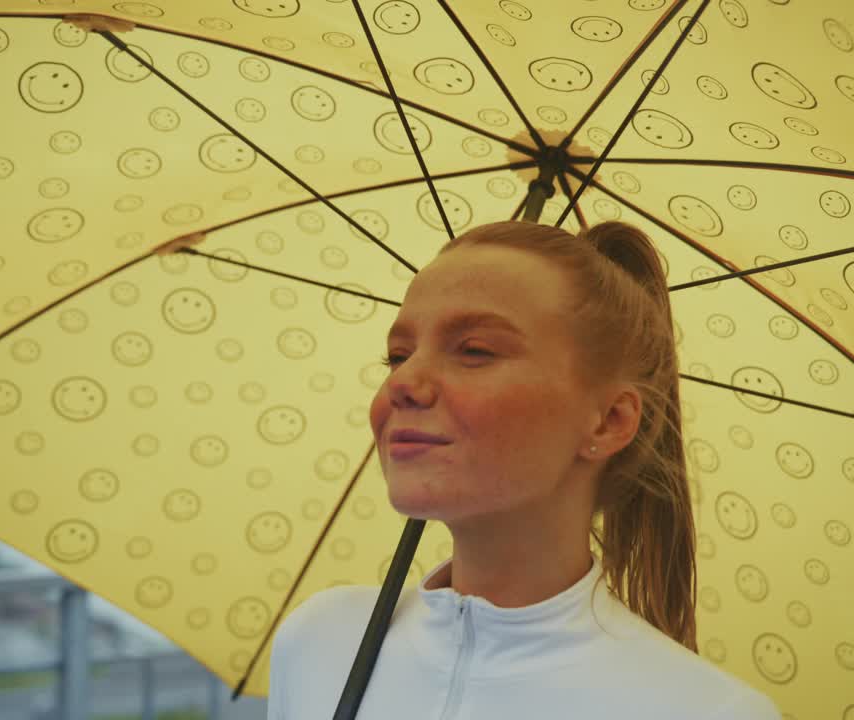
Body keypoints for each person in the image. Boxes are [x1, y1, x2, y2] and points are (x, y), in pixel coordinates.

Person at [266, 220, 782, 719]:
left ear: (608, 420)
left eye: (474, 350)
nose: (404, 382)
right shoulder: (320, 643)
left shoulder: (708, 711)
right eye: (398, 355)